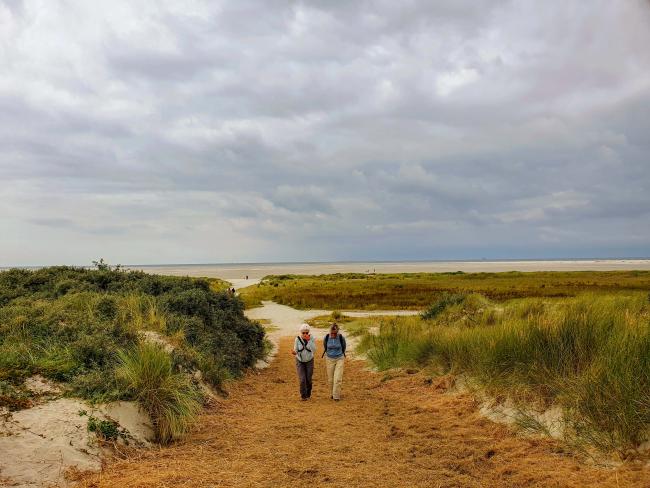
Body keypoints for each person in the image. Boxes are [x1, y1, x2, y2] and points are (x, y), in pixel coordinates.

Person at [322, 323, 346, 401]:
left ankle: (336, 396)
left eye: (334, 333)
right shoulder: (326, 337)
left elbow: (344, 347)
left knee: (338, 378)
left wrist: (340, 354)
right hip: (329, 359)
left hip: (339, 358)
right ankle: (332, 393)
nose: (333, 335)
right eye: (331, 333)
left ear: (337, 332)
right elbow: (325, 346)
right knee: (331, 379)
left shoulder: (341, 337)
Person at [292, 323, 315, 400]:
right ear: (300, 332)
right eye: (303, 332)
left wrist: (309, 341)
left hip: (309, 360)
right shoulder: (297, 339)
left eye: (307, 332)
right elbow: (295, 349)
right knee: (302, 379)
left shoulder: (311, 338)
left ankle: (308, 394)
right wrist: (294, 352)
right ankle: (303, 396)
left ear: (309, 332)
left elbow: (314, 349)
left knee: (308, 378)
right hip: (300, 360)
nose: (305, 334)